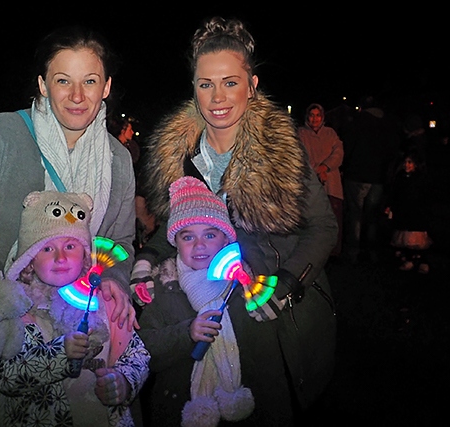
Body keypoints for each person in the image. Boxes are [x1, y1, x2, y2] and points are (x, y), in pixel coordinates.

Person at [130, 16, 337, 426]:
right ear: (193, 88)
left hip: (268, 322)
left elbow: (324, 227)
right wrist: (147, 259)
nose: (217, 96)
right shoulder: (180, 156)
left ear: (252, 85)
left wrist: (288, 284)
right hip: (199, 316)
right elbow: (175, 229)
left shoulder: (282, 152)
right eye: (206, 83)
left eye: (230, 81)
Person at [0, 25, 138, 427]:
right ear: (44, 85)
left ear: (106, 87)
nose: (77, 96)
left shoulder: (118, 159)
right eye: (63, 80)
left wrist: (115, 278)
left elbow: (120, 241)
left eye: (90, 81)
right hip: (3, 330)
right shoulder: (1, 133)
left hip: (77, 333)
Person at [0, 190, 150, 426]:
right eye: (47, 249)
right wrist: (59, 354)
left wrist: (123, 381)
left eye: (70, 246)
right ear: (29, 260)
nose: (60, 257)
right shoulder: (16, 310)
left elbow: (137, 355)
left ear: (85, 255)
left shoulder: (106, 302)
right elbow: (4, 376)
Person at [139, 176, 289, 426]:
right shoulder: (163, 288)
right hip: (176, 409)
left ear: (226, 239)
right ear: (175, 242)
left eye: (210, 235)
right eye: (187, 237)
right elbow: (145, 350)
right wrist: (186, 333)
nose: (199, 245)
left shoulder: (246, 286)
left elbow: (265, 359)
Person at [340, 95, 400, 264]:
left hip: (357, 174)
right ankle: (371, 250)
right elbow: (392, 150)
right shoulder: (387, 125)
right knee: (372, 215)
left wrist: (346, 167)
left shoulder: (356, 123)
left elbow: (348, 146)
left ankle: (353, 251)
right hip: (378, 177)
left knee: (355, 215)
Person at [298, 103, 345, 258]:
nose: (315, 119)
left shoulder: (330, 133)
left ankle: (334, 251)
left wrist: (325, 167)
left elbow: (338, 153)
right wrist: (316, 170)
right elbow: (299, 156)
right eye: (312, 115)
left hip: (331, 183)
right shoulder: (300, 134)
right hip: (310, 182)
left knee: (333, 216)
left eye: (318, 115)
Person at [385, 147, 433, 273]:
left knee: (417, 240)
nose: (407, 165)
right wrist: (390, 206)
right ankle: (409, 260)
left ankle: (421, 260)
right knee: (405, 239)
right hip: (403, 211)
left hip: (417, 213)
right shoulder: (400, 177)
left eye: (410, 162)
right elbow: (394, 193)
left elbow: (425, 196)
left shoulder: (420, 179)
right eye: (405, 162)